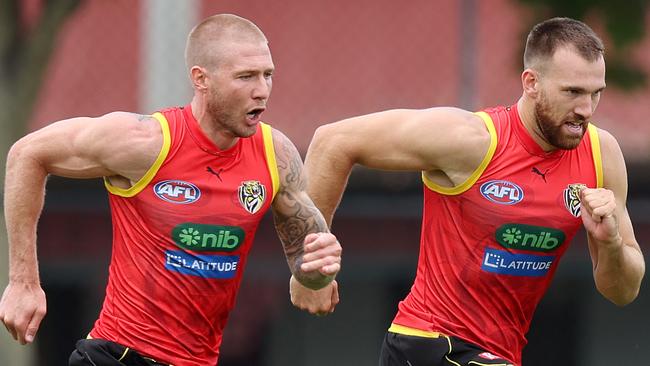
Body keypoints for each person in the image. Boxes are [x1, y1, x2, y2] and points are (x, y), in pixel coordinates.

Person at [0, 14, 341, 366]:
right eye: (245, 76)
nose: (262, 89)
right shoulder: (147, 143)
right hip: (118, 356)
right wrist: (23, 281)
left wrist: (318, 270)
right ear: (201, 79)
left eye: (267, 74)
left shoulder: (277, 154)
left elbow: (306, 261)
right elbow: (27, 154)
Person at [301, 17, 645, 366]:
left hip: (497, 354)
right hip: (428, 343)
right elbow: (332, 141)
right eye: (572, 92)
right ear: (531, 83)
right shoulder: (472, 140)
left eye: (595, 93)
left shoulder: (602, 155)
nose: (586, 109)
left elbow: (622, 291)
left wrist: (610, 243)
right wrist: (308, 267)